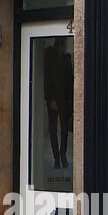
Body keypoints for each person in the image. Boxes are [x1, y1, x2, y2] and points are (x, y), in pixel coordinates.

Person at [43, 38, 72, 170]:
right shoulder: (50, 57)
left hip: (64, 99)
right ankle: (56, 158)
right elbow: (47, 79)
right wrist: (50, 99)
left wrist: (71, 100)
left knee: (64, 129)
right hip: (54, 98)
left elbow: (70, 79)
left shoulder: (66, 58)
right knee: (53, 129)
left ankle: (63, 155)